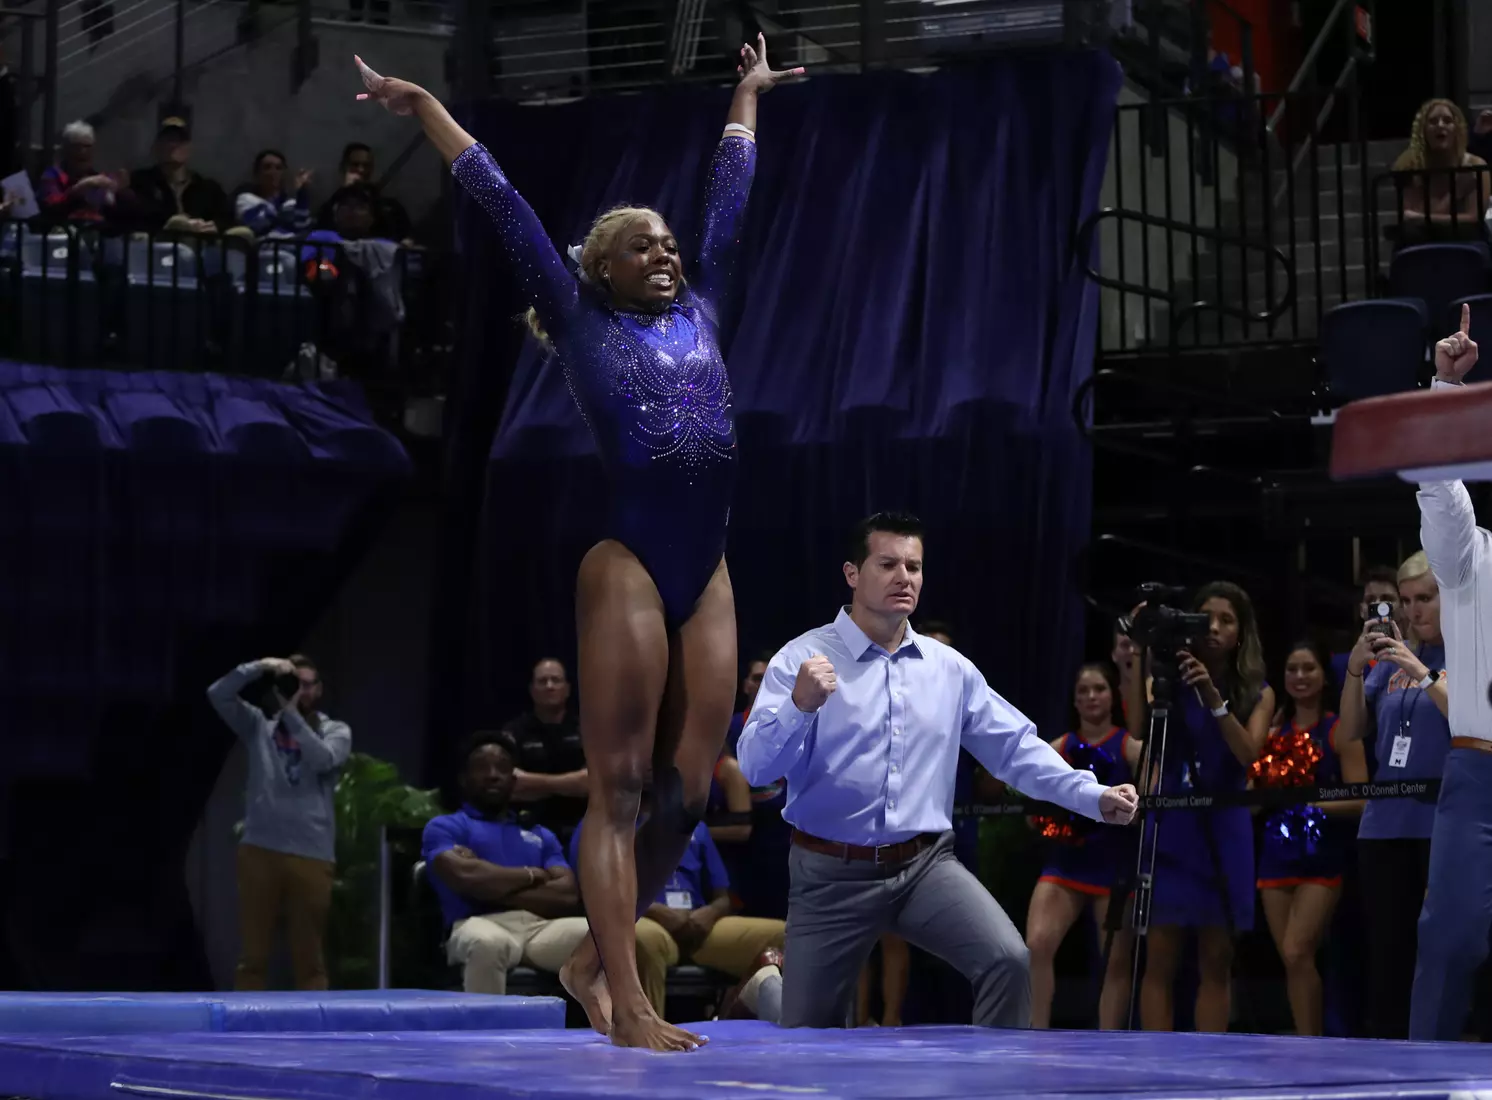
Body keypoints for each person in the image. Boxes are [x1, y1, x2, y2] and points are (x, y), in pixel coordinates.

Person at [353, 38, 802, 1051]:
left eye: (670, 246)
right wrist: (424, 103)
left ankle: (592, 953)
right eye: (645, 246)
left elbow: (730, 193)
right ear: (600, 264)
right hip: (632, 561)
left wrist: (745, 93)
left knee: (689, 787)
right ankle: (629, 1002)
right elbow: (500, 199)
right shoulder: (578, 313)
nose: (668, 254)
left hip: (708, 564)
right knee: (626, 782)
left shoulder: (705, 305)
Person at [734, 512, 1139, 1029]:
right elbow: (754, 768)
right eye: (888, 564)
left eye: (914, 566)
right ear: (852, 574)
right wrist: (799, 704)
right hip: (828, 872)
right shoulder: (802, 659)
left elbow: (1015, 749)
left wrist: (1092, 795)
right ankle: (768, 987)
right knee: (810, 1036)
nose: (905, 577)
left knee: (1008, 962)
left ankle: (992, 1090)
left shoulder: (949, 669)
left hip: (923, 867)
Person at [1125, 581, 1273, 1033]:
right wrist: (1139, 653)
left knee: (1216, 960)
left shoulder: (1258, 692)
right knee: (1160, 960)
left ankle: (1211, 1069)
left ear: (1241, 633)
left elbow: (1249, 755)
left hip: (1223, 826)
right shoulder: (1164, 680)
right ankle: (1156, 1070)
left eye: (1228, 620)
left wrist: (1212, 696)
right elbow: (1135, 728)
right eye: (1207, 617)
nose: (1215, 628)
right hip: (1171, 824)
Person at [422, 730, 665, 995]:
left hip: (539, 929)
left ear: (514, 780)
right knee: (488, 943)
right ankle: (485, 1037)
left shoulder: (540, 833)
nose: (493, 774)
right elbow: (464, 876)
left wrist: (488, 887)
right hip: (476, 923)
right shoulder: (445, 826)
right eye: (482, 768)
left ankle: (614, 1028)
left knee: (604, 935)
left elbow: (567, 893)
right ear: (464, 780)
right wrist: (534, 874)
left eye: (502, 768)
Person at [1407, 307, 1492, 1041]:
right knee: (1451, 943)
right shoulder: (1470, 559)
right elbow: (1438, 490)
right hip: (1481, 780)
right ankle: (1416, 1084)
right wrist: (1444, 386)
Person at [1338, 549, 1450, 1039]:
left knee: (1446, 944)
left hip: (1444, 819)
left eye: (1425, 598)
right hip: (1384, 822)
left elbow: (1469, 720)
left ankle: (1445, 1042)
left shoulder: (1469, 651)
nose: (1413, 610)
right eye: (1407, 600)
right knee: (1387, 948)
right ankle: (1386, 1051)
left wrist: (1419, 669)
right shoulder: (1391, 658)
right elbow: (1351, 730)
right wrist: (1356, 669)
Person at [206, 655, 351, 990]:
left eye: (307, 684)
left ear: (319, 689)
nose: (299, 691)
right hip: (260, 849)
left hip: (311, 853)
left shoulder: (335, 730)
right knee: (253, 956)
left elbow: (322, 759)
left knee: (309, 958)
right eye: (292, 683)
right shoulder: (259, 726)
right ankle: (244, 1032)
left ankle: (314, 1034)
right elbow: (218, 694)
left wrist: (290, 713)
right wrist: (259, 667)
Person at [568, 795, 785, 1018]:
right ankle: (644, 1032)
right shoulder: (600, 825)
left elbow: (723, 895)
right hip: (640, 917)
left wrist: (709, 914)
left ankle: (738, 1016)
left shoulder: (693, 825)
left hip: (698, 924)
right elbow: (591, 890)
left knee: (782, 935)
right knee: (641, 939)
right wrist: (654, 910)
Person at [1252, 640, 1367, 1037]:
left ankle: (1312, 1043)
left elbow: (1362, 798)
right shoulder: (1271, 732)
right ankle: (1306, 1041)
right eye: (1292, 670)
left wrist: (1310, 806)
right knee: (1292, 958)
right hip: (1276, 852)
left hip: (1322, 855)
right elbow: (1252, 797)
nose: (1300, 677)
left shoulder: (1339, 729)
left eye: (1308, 669)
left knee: (1297, 949)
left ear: (1323, 676)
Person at [1025, 663, 1142, 1030]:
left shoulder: (1130, 746)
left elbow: (1150, 806)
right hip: (1067, 862)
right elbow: (1030, 798)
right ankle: (1035, 1035)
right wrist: (1050, 822)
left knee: (1115, 961)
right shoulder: (1058, 747)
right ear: (1074, 700)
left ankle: (1109, 1041)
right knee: (1037, 945)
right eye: (1083, 691)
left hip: (1114, 866)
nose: (1091, 697)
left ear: (1113, 696)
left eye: (1099, 689)